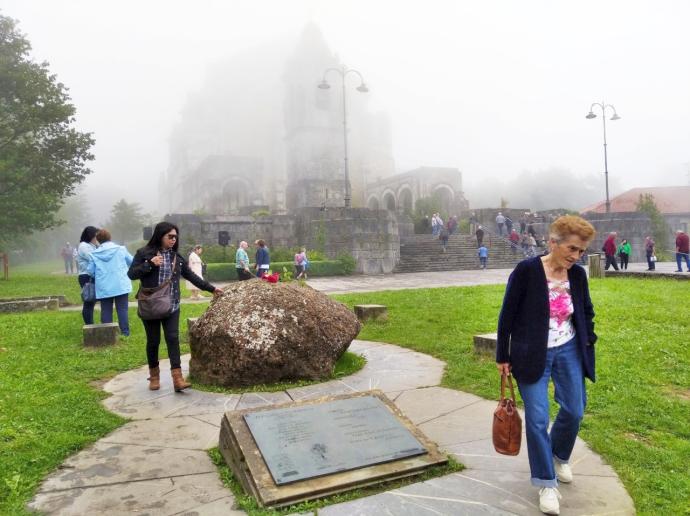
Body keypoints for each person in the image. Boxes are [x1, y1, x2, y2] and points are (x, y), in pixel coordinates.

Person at [496, 215, 597, 515]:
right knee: (538, 420)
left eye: (580, 252)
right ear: (553, 242)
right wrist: (503, 355)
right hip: (531, 353)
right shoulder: (527, 271)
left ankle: (558, 455)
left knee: (575, 409)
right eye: (572, 249)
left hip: (568, 350)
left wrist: (588, 337)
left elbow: (586, 311)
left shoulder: (577, 276)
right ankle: (546, 482)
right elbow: (507, 315)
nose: (576, 256)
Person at [127, 222, 223, 392]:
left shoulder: (176, 258)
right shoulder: (144, 253)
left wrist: (212, 289)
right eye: (169, 236)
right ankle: (154, 377)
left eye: (175, 237)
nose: (173, 240)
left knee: (173, 339)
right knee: (153, 341)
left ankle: (177, 379)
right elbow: (132, 274)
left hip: (172, 305)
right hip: (151, 305)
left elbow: (192, 277)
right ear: (160, 235)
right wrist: (149, 264)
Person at [86, 229, 133, 336]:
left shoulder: (94, 254)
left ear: (98, 240)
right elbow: (132, 262)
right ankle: (125, 333)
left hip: (104, 286)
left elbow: (90, 271)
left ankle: (108, 334)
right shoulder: (121, 249)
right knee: (122, 309)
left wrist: (98, 275)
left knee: (106, 310)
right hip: (121, 284)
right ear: (110, 238)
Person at [76, 226, 100, 324]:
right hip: (86, 276)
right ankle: (89, 324)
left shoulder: (92, 245)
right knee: (89, 301)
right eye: (96, 236)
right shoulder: (83, 246)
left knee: (92, 301)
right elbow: (93, 257)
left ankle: (90, 323)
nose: (97, 239)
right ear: (91, 236)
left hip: (91, 276)